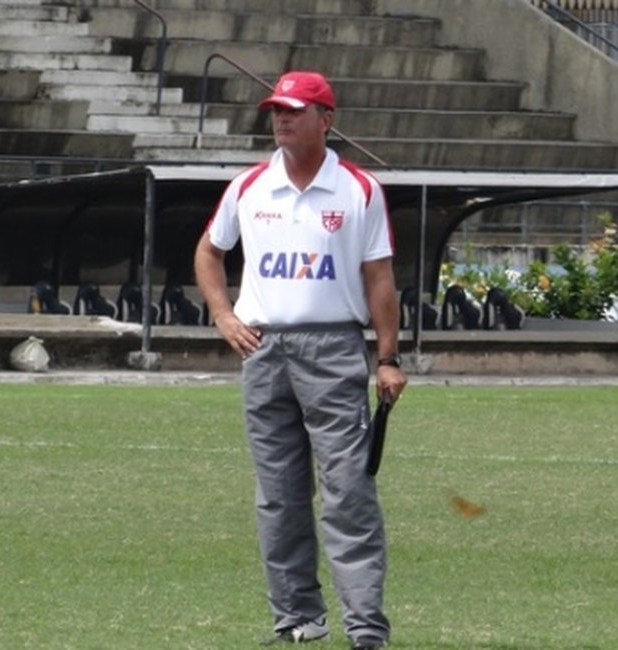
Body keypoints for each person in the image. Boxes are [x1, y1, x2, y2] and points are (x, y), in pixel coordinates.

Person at [193, 70, 407, 650]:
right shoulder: (249, 185)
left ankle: (365, 628)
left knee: (348, 491)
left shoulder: (359, 189)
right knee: (278, 494)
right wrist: (223, 315)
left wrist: (387, 358)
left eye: (294, 110)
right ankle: (297, 619)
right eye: (276, 111)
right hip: (263, 350)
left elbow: (380, 278)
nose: (281, 120)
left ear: (325, 119)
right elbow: (209, 252)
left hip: (334, 347)